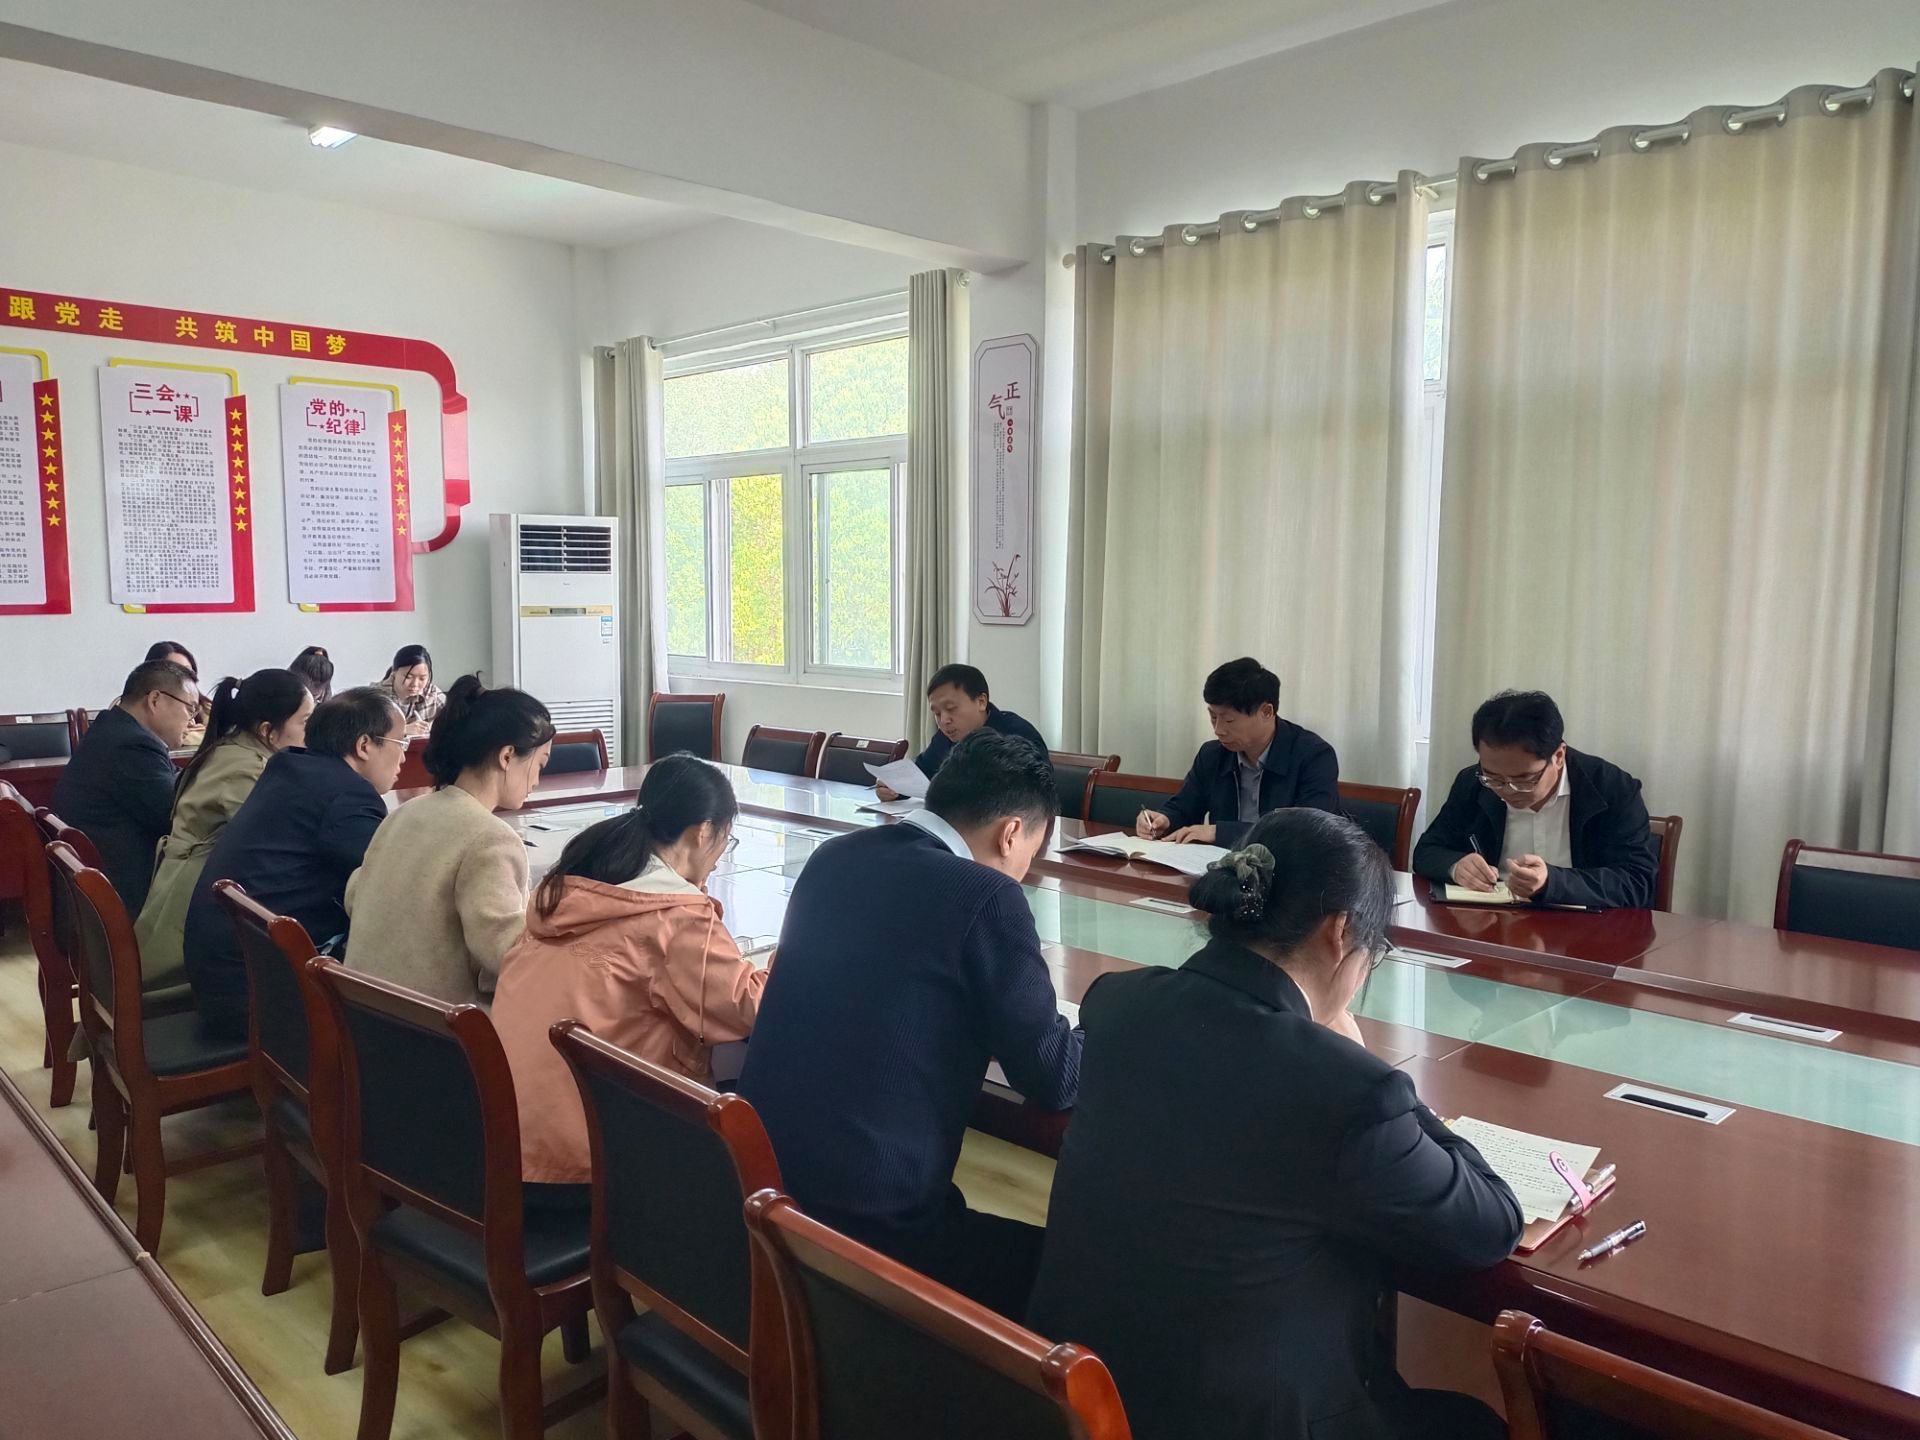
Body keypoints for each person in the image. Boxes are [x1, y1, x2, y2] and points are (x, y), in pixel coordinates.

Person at [1028, 809, 1523, 1440]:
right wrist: (1372, 1070)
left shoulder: (1119, 1003)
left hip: (1083, 1395)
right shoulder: (1346, 1089)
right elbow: (1491, 1225)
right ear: (1342, 932)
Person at [740, 730, 1079, 1318]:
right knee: (1083, 1277)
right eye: (1032, 852)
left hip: (767, 1192)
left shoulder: (834, 857)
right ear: (1011, 834)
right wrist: (1105, 1031)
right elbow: (1053, 1075)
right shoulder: (986, 896)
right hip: (873, 1234)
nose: (1025, 871)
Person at [491, 755, 769, 1195]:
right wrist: (784, 962)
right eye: (726, 839)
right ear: (703, 832)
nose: (719, 858)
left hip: (500, 1144)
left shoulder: (575, 885)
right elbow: (747, 1008)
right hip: (585, 1168)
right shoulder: (675, 918)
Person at [183, 688, 406, 1040]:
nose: (404, 757)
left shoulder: (290, 767)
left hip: (223, 979)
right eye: (401, 743)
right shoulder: (346, 796)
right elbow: (395, 884)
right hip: (260, 1000)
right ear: (364, 745)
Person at [344, 676, 553, 1004]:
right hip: (437, 1023)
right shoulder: (491, 839)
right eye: (540, 764)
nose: (538, 781)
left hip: (363, 1009)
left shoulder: (404, 813)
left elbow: (355, 895)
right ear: (507, 756)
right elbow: (507, 956)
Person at [134, 670, 313, 991]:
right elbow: (281, 842)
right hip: (188, 925)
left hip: (192, 897)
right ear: (268, 731)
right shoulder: (246, 768)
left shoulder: (234, 749)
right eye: (305, 722)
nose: (311, 734)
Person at [1412, 690, 1658, 910]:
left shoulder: (1612, 788)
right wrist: (1456, 866)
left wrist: (1552, 882)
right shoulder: (1473, 783)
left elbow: (1638, 882)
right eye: (1493, 778)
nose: (1507, 790)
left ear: (1558, 756)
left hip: (1587, 931)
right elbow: (1427, 850)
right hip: (1493, 924)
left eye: (1524, 779)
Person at [51, 659, 201, 917]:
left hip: (97, 889)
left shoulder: (113, 729)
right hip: (128, 896)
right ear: (155, 700)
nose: (192, 720)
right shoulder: (131, 745)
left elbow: (174, 780)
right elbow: (177, 820)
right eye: (190, 708)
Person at [1137, 657, 1339, 846]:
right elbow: (1185, 806)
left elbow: (1306, 832)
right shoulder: (1212, 754)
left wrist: (1221, 832)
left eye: (1229, 720)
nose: (1218, 730)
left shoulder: (1314, 756)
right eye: (1213, 717)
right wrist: (1165, 819)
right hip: (1221, 865)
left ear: (1266, 712)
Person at [874, 663, 1048, 799]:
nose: (944, 720)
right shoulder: (946, 736)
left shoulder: (1016, 736)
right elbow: (922, 773)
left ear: (981, 702)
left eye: (951, 709)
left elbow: (1033, 796)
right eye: (937, 713)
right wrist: (893, 788)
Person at [373, 643, 446, 735]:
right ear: (394, 672)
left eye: (422, 678)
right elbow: (365, 733)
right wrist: (403, 730)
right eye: (408, 677)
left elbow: (454, 720)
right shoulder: (376, 697)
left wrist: (436, 727)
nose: (415, 684)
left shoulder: (432, 693)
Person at [144, 640, 212, 727]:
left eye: (189, 672)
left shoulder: (209, 711)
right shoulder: (141, 710)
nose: (184, 678)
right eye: (176, 673)